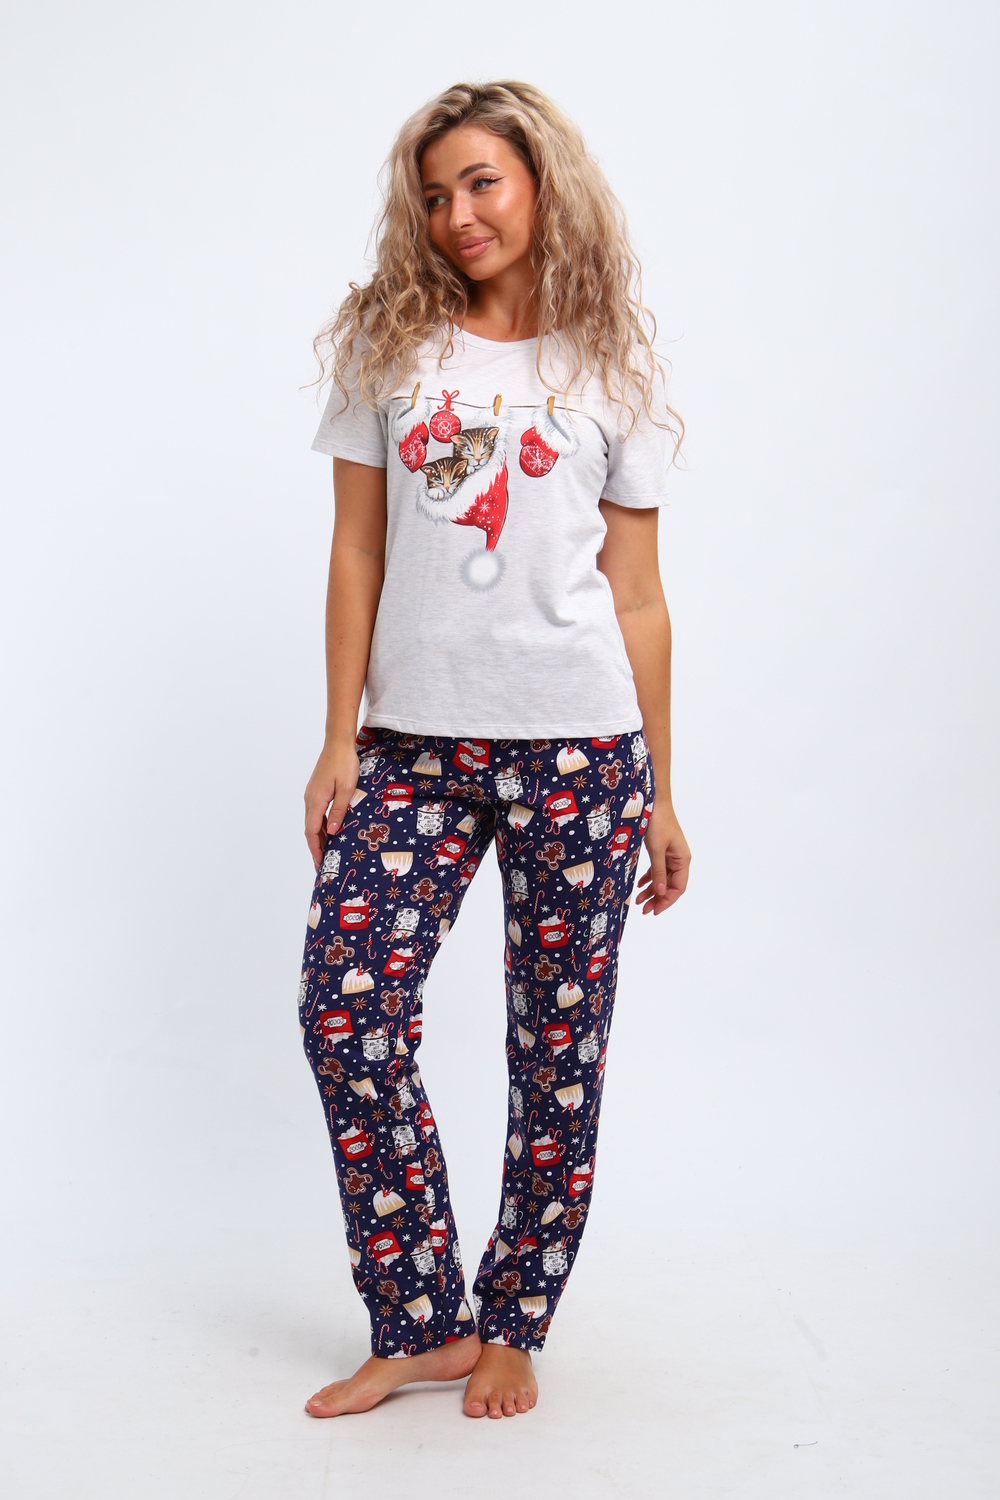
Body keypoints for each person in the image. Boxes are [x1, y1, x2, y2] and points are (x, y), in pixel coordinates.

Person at [297, 80, 690, 1421]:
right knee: (346, 1005)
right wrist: (337, 737)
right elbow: (357, 550)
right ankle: (421, 1321)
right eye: (434, 194)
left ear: (540, 186)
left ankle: (515, 1318)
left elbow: (639, 597)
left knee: (557, 1046)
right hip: (413, 744)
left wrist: (664, 792)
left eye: (482, 182)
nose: (456, 214)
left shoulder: (609, 368)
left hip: (582, 752)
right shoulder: (390, 351)